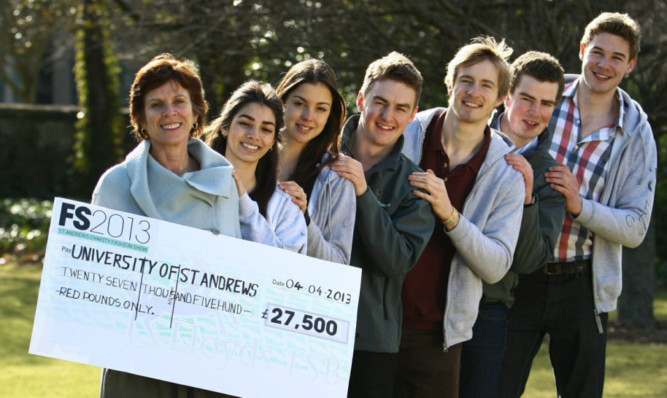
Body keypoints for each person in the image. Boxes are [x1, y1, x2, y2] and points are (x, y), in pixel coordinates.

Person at [499, 12, 657, 398]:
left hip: (583, 284)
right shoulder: (543, 97)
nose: (605, 65)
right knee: (494, 387)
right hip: (517, 276)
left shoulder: (636, 132)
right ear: (582, 50)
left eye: (617, 58)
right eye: (598, 52)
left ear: (630, 65)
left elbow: (635, 228)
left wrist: (579, 204)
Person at [92, 53, 240, 397]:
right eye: (156, 104)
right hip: (138, 361)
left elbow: (235, 271)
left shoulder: (225, 183)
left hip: (208, 359)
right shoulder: (115, 184)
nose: (169, 112)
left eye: (179, 101)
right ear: (141, 117)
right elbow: (100, 282)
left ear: (196, 111)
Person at [398, 36, 525, 397]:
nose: (473, 92)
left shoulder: (507, 172)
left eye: (486, 85)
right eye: (466, 80)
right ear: (450, 83)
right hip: (378, 319)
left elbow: (497, 264)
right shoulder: (408, 133)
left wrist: (450, 216)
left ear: (501, 98)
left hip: (439, 335)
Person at [458, 51, 566, 398]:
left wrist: (528, 199)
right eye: (527, 99)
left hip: (488, 309)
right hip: (430, 298)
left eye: (546, 104)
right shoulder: (462, 138)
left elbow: (530, 262)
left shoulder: (550, 176)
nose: (535, 112)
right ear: (506, 97)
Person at [329, 52, 434, 398]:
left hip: (370, 340)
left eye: (401, 108)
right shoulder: (320, 156)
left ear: (413, 114)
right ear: (361, 100)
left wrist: (362, 191)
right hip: (306, 323)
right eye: (380, 102)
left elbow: (396, 261)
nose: (388, 116)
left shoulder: (416, 184)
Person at [207, 81, 307, 254]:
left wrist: (243, 203)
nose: (254, 135)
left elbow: (286, 271)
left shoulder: (286, 207)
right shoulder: (192, 183)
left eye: (266, 129)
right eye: (245, 123)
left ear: (272, 141)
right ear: (225, 127)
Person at [275, 59, 356, 263]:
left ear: (330, 115)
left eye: (321, 108)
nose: (308, 116)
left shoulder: (337, 178)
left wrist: (304, 220)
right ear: (282, 101)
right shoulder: (250, 153)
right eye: (299, 103)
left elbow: (339, 263)